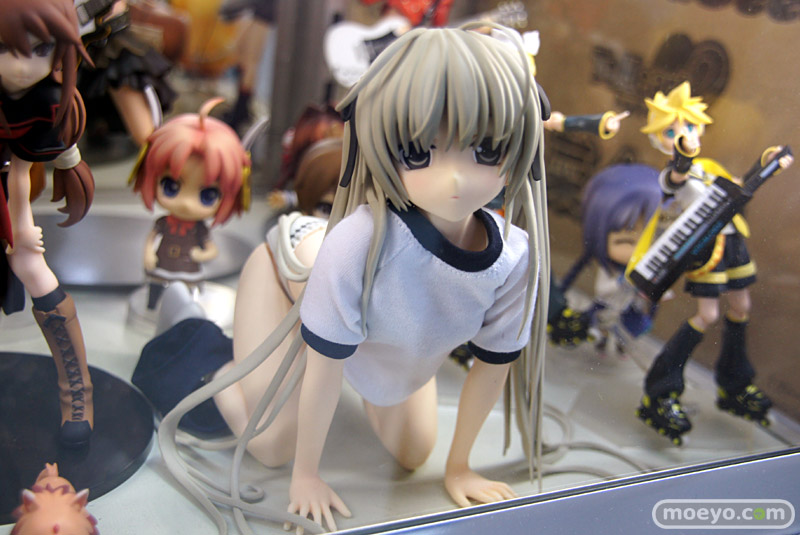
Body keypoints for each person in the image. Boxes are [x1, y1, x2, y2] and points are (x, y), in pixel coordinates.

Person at [158, 24, 550, 534]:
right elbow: (327, 366)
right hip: (290, 274)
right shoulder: (359, 243)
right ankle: (212, 358)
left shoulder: (515, 257)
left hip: (385, 342)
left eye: (486, 150)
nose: (455, 177)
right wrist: (306, 476)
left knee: (414, 452)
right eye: (419, 152)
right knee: (272, 444)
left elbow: (492, 367)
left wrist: (460, 467)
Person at [635, 81, 793, 445]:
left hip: (733, 241)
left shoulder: (709, 167)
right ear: (658, 138)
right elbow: (676, 176)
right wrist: (683, 154)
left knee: (741, 306)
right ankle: (660, 391)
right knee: (707, 315)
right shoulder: (675, 174)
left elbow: (739, 189)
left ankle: (735, 384)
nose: (684, 134)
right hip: (705, 249)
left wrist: (766, 164)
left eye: (690, 126)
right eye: (671, 131)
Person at [0, 0, 97, 447]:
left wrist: (21, 228)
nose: (22, 67)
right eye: (5, 49)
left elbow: (19, 171)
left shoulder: (44, 104)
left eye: (40, 50)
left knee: (34, 269)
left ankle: (77, 396)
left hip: (7, 191)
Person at [130, 98, 250, 310]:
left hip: (188, 269)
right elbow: (151, 239)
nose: (186, 204)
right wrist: (148, 253)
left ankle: (184, 311)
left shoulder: (199, 229)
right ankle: (152, 307)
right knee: (155, 290)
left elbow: (212, 250)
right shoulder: (163, 223)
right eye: (170, 186)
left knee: (186, 298)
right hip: (162, 264)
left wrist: (202, 255)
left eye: (207, 195)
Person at [559, 164, 663, 357]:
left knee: (626, 329)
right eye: (626, 241)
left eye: (650, 241)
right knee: (604, 323)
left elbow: (654, 298)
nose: (639, 250)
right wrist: (624, 282)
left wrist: (649, 301)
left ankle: (621, 345)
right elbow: (601, 288)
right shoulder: (610, 268)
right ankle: (603, 342)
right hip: (608, 302)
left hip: (629, 306)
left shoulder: (646, 269)